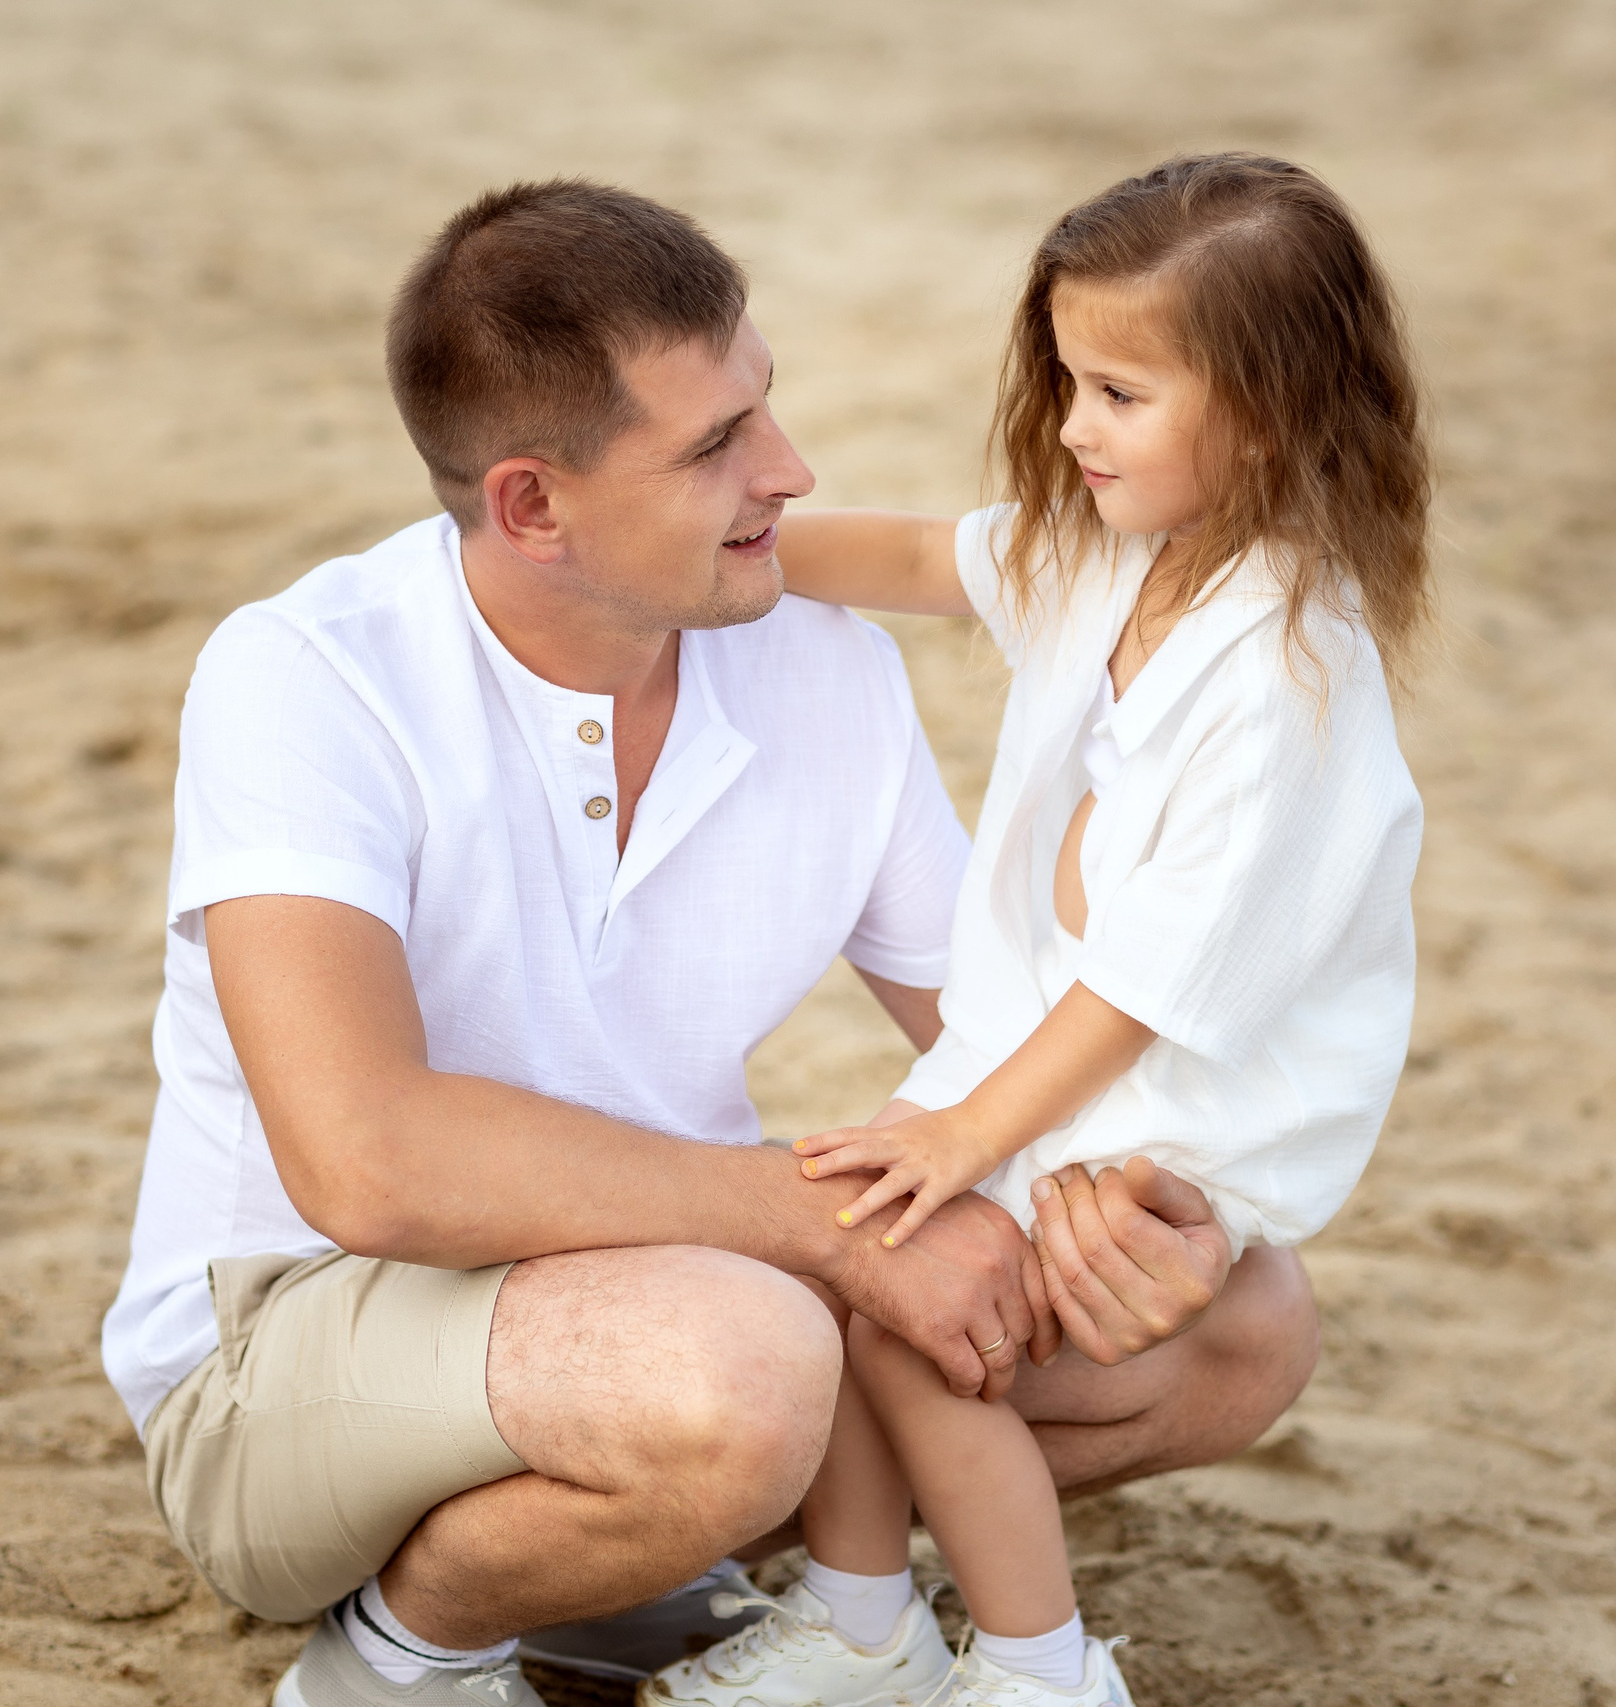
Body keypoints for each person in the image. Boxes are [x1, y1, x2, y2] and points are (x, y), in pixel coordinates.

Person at [97, 177, 1321, 1707]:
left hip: (671, 1298)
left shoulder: (819, 666)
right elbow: (368, 1163)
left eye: (766, 405)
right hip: (284, 1353)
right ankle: (399, 1657)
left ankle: (622, 1569)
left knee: (1246, 1317)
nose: (789, 472)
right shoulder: (307, 679)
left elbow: (1005, 1022)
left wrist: (1141, 1206)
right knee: (747, 1363)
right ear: (533, 508)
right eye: (715, 446)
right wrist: (834, 1228)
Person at [641, 155, 1429, 1707]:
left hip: (1169, 1108)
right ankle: (862, 1623)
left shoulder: (1288, 677)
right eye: (1069, 382)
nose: (1074, 426)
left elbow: (1147, 987)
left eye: (1120, 394)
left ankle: (1037, 1665)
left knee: (924, 1327)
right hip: (1047, 1062)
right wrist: (715, 555)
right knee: (855, 1282)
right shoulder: (1113, 550)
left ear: (1269, 416)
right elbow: (926, 558)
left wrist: (965, 1136)